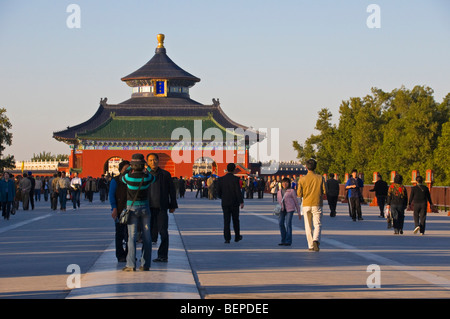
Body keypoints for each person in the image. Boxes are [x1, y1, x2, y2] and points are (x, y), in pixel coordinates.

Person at [121, 153, 156, 271]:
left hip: (132, 209)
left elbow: (123, 175)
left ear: (133, 165)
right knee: (147, 236)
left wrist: (130, 167)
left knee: (132, 237)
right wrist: (147, 167)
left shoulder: (128, 178)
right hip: (145, 208)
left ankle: (131, 265)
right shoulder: (147, 178)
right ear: (143, 165)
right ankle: (145, 264)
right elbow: (153, 177)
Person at [146, 153, 178, 263]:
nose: (153, 162)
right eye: (150, 160)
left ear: (158, 161)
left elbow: (172, 191)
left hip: (161, 208)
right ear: (147, 162)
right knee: (147, 233)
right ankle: (145, 256)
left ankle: (163, 255)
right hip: (147, 209)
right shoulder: (145, 175)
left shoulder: (165, 174)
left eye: (155, 160)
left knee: (163, 232)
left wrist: (173, 205)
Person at [297, 158, 326, 252]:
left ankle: (310, 245)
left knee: (308, 225)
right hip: (317, 203)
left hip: (306, 204)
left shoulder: (302, 179)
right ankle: (316, 239)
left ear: (306, 167)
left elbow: (299, 194)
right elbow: (325, 191)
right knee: (317, 224)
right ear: (315, 167)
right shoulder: (320, 178)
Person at [217, 163, 244, 243]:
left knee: (226, 220)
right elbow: (237, 191)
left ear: (227, 169)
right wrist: (241, 201)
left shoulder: (221, 179)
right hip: (234, 203)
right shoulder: (236, 179)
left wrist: (223, 197)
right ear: (234, 169)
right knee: (236, 220)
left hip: (225, 203)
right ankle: (237, 236)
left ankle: (227, 238)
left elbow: (218, 192)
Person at [109, 160, 130, 262]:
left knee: (130, 234)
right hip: (120, 210)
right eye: (126, 169)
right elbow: (111, 195)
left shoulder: (132, 180)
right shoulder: (115, 180)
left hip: (131, 210)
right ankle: (120, 255)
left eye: (129, 169)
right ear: (120, 170)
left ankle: (129, 254)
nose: (127, 171)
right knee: (120, 234)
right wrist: (114, 208)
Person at [277, 177, 300, 246]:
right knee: (280, 223)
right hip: (282, 209)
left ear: (289, 183)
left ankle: (288, 240)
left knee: (288, 224)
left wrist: (299, 212)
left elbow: (296, 201)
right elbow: (279, 201)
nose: (284, 184)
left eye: (286, 182)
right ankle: (283, 239)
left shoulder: (291, 191)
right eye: (283, 182)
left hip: (290, 209)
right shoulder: (279, 191)